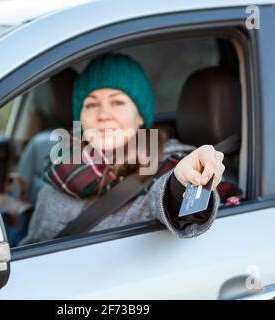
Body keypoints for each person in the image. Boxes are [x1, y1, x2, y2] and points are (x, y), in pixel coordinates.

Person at [18, 53, 225, 245]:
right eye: (91, 105)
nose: (103, 114)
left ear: (140, 116)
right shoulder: (60, 166)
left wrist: (181, 183)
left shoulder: (164, 163)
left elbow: (173, 204)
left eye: (117, 102)